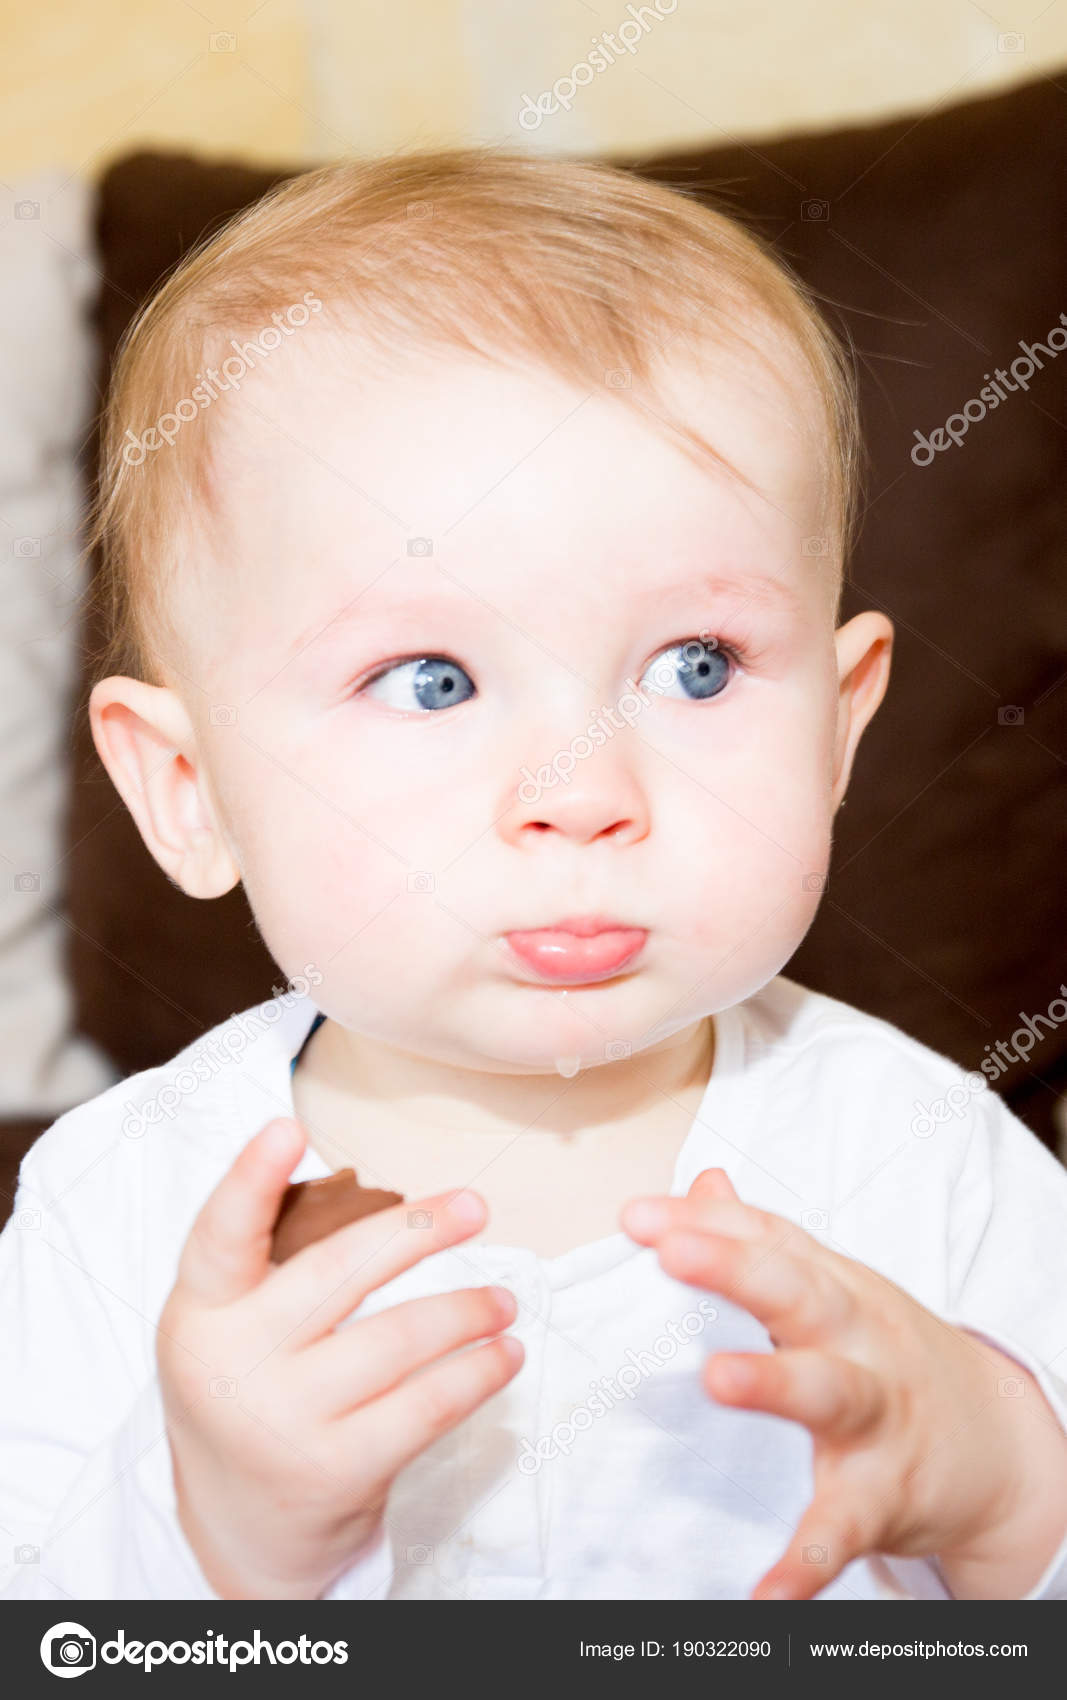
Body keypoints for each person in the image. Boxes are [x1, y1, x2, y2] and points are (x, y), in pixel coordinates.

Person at [2, 146, 1066, 1603]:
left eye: (697, 668)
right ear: (188, 794)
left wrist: (1009, 1492)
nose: (584, 796)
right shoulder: (117, 1212)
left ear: (839, 726)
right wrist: (217, 1538)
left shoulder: (932, 1166)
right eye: (431, 680)